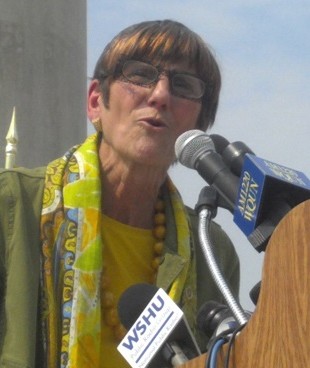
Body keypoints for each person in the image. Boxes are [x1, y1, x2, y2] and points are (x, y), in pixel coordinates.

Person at [0, 20, 240, 368]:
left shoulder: (212, 252)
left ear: (199, 126)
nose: (160, 95)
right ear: (96, 101)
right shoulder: (14, 205)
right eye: (140, 75)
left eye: (183, 85)